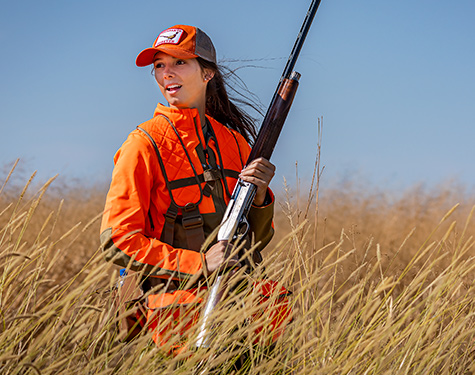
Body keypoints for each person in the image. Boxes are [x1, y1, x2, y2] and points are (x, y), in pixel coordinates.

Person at [100, 24, 277, 349]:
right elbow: (118, 240)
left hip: (246, 321)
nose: (167, 73)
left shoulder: (235, 144)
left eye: (179, 62)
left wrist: (262, 196)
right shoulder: (144, 144)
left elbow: (257, 240)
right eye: (159, 65)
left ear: (208, 73)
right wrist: (200, 264)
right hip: (174, 329)